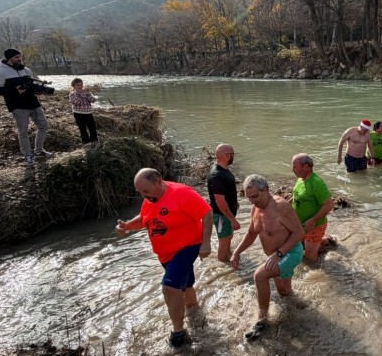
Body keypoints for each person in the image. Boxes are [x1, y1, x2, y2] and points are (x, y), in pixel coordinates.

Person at [113, 168, 212, 347]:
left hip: (187, 246)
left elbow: (207, 213)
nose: (143, 195)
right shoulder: (149, 199)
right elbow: (145, 219)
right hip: (165, 253)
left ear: (158, 181)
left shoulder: (182, 194)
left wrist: (206, 243)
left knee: (169, 286)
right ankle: (195, 311)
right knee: (185, 285)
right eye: (140, 192)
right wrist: (127, 226)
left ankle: (178, 332)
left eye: (145, 190)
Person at [231, 174, 305, 341]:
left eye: (255, 196)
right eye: (248, 197)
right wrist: (237, 252)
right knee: (284, 292)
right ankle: (299, 312)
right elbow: (251, 233)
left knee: (260, 275)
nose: (252, 201)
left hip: (290, 252)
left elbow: (299, 232)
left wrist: (278, 254)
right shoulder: (255, 208)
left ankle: (262, 319)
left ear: (266, 190)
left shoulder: (280, 206)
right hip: (276, 256)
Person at [0, 48, 53, 167]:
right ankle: (28, 156)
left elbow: (31, 85)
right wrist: (14, 91)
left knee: (43, 126)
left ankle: (39, 151)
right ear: (9, 59)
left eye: (20, 57)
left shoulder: (26, 69)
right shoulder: (0, 72)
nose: (19, 59)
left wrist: (39, 90)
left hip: (33, 103)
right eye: (16, 57)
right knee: (23, 132)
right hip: (17, 106)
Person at [291, 153, 335, 262]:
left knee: (310, 259)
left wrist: (312, 220)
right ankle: (324, 242)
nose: (292, 170)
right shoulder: (301, 179)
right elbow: (296, 197)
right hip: (301, 225)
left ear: (306, 167)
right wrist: (280, 205)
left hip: (314, 226)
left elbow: (329, 205)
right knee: (299, 249)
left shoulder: (316, 182)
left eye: (295, 167)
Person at [207, 143, 240, 262]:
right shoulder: (217, 175)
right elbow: (220, 201)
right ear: (227, 156)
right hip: (222, 215)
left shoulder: (222, 170)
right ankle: (223, 268)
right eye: (232, 154)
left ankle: (228, 256)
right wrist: (232, 219)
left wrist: (235, 202)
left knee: (228, 237)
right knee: (224, 242)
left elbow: (225, 193)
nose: (233, 157)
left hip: (225, 214)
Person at [68, 78, 97, 144]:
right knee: (82, 128)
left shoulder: (86, 92)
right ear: (74, 86)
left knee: (92, 127)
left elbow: (93, 100)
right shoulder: (72, 94)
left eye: (81, 85)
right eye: (77, 85)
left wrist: (88, 93)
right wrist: (79, 94)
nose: (79, 86)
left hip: (88, 113)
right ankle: (86, 142)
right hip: (78, 113)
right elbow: (77, 103)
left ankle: (94, 140)